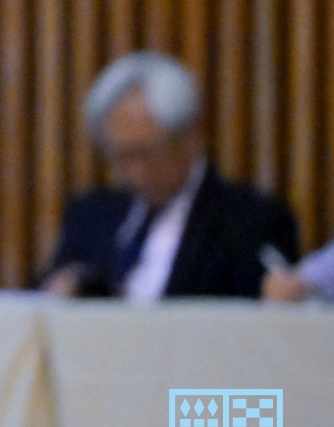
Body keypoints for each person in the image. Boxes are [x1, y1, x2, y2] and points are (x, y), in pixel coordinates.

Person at [40, 51, 300, 300]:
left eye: (148, 154)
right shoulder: (91, 216)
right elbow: (39, 295)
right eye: (121, 156)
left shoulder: (249, 221)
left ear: (190, 136)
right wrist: (63, 288)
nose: (136, 172)